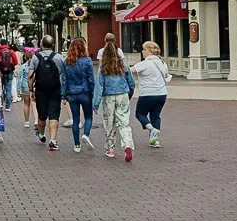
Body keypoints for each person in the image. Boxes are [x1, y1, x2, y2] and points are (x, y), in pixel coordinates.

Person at [93, 34, 136, 162]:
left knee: (109, 122)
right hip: (122, 94)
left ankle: (110, 149)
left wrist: (95, 103)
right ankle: (127, 145)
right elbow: (131, 82)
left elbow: (99, 86)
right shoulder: (123, 64)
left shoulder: (103, 67)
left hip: (109, 96)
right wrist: (129, 93)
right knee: (124, 122)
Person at [131, 40, 172, 149]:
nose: (142, 52)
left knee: (140, 114)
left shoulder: (145, 63)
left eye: (144, 49)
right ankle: (155, 140)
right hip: (162, 94)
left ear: (149, 51)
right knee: (155, 115)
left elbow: (130, 70)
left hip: (147, 94)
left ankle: (151, 129)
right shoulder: (162, 63)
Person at [28, 35, 65, 151]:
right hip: (55, 89)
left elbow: (30, 76)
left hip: (40, 90)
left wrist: (31, 90)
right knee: (54, 114)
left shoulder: (35, 58)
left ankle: (42, 134)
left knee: (42, 114)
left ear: (41, 45)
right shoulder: (59, 57)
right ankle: (53, 140)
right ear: (53, 45)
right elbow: (63, 75)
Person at [62, 37, 95, 153]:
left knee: (75, 119)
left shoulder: (67, 62)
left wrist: (64, 95)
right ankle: (86, 134)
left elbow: (64, 80)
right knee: (88, 116)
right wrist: (93, 93)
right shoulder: (87, 61)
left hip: (72, 93)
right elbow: (91, 79)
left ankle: (77, 145)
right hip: (85, 92)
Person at [0, 39, 17, 112]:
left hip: (0, 72)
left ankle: (0, 104)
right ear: (7, 43)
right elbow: (16, 62)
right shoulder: (11, 52)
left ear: (0, 43)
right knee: (8, 89)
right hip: (9, 72)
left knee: (0, 88)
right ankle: (8, 106)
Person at [16, 50, 34, 128]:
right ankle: (36, 120)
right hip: (34, 86)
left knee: (26, 104)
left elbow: (20, 79)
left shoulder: (23, 66)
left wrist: (18, 90)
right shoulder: (36, 65)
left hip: (25, 86)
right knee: (35, 104)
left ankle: (27, 121)